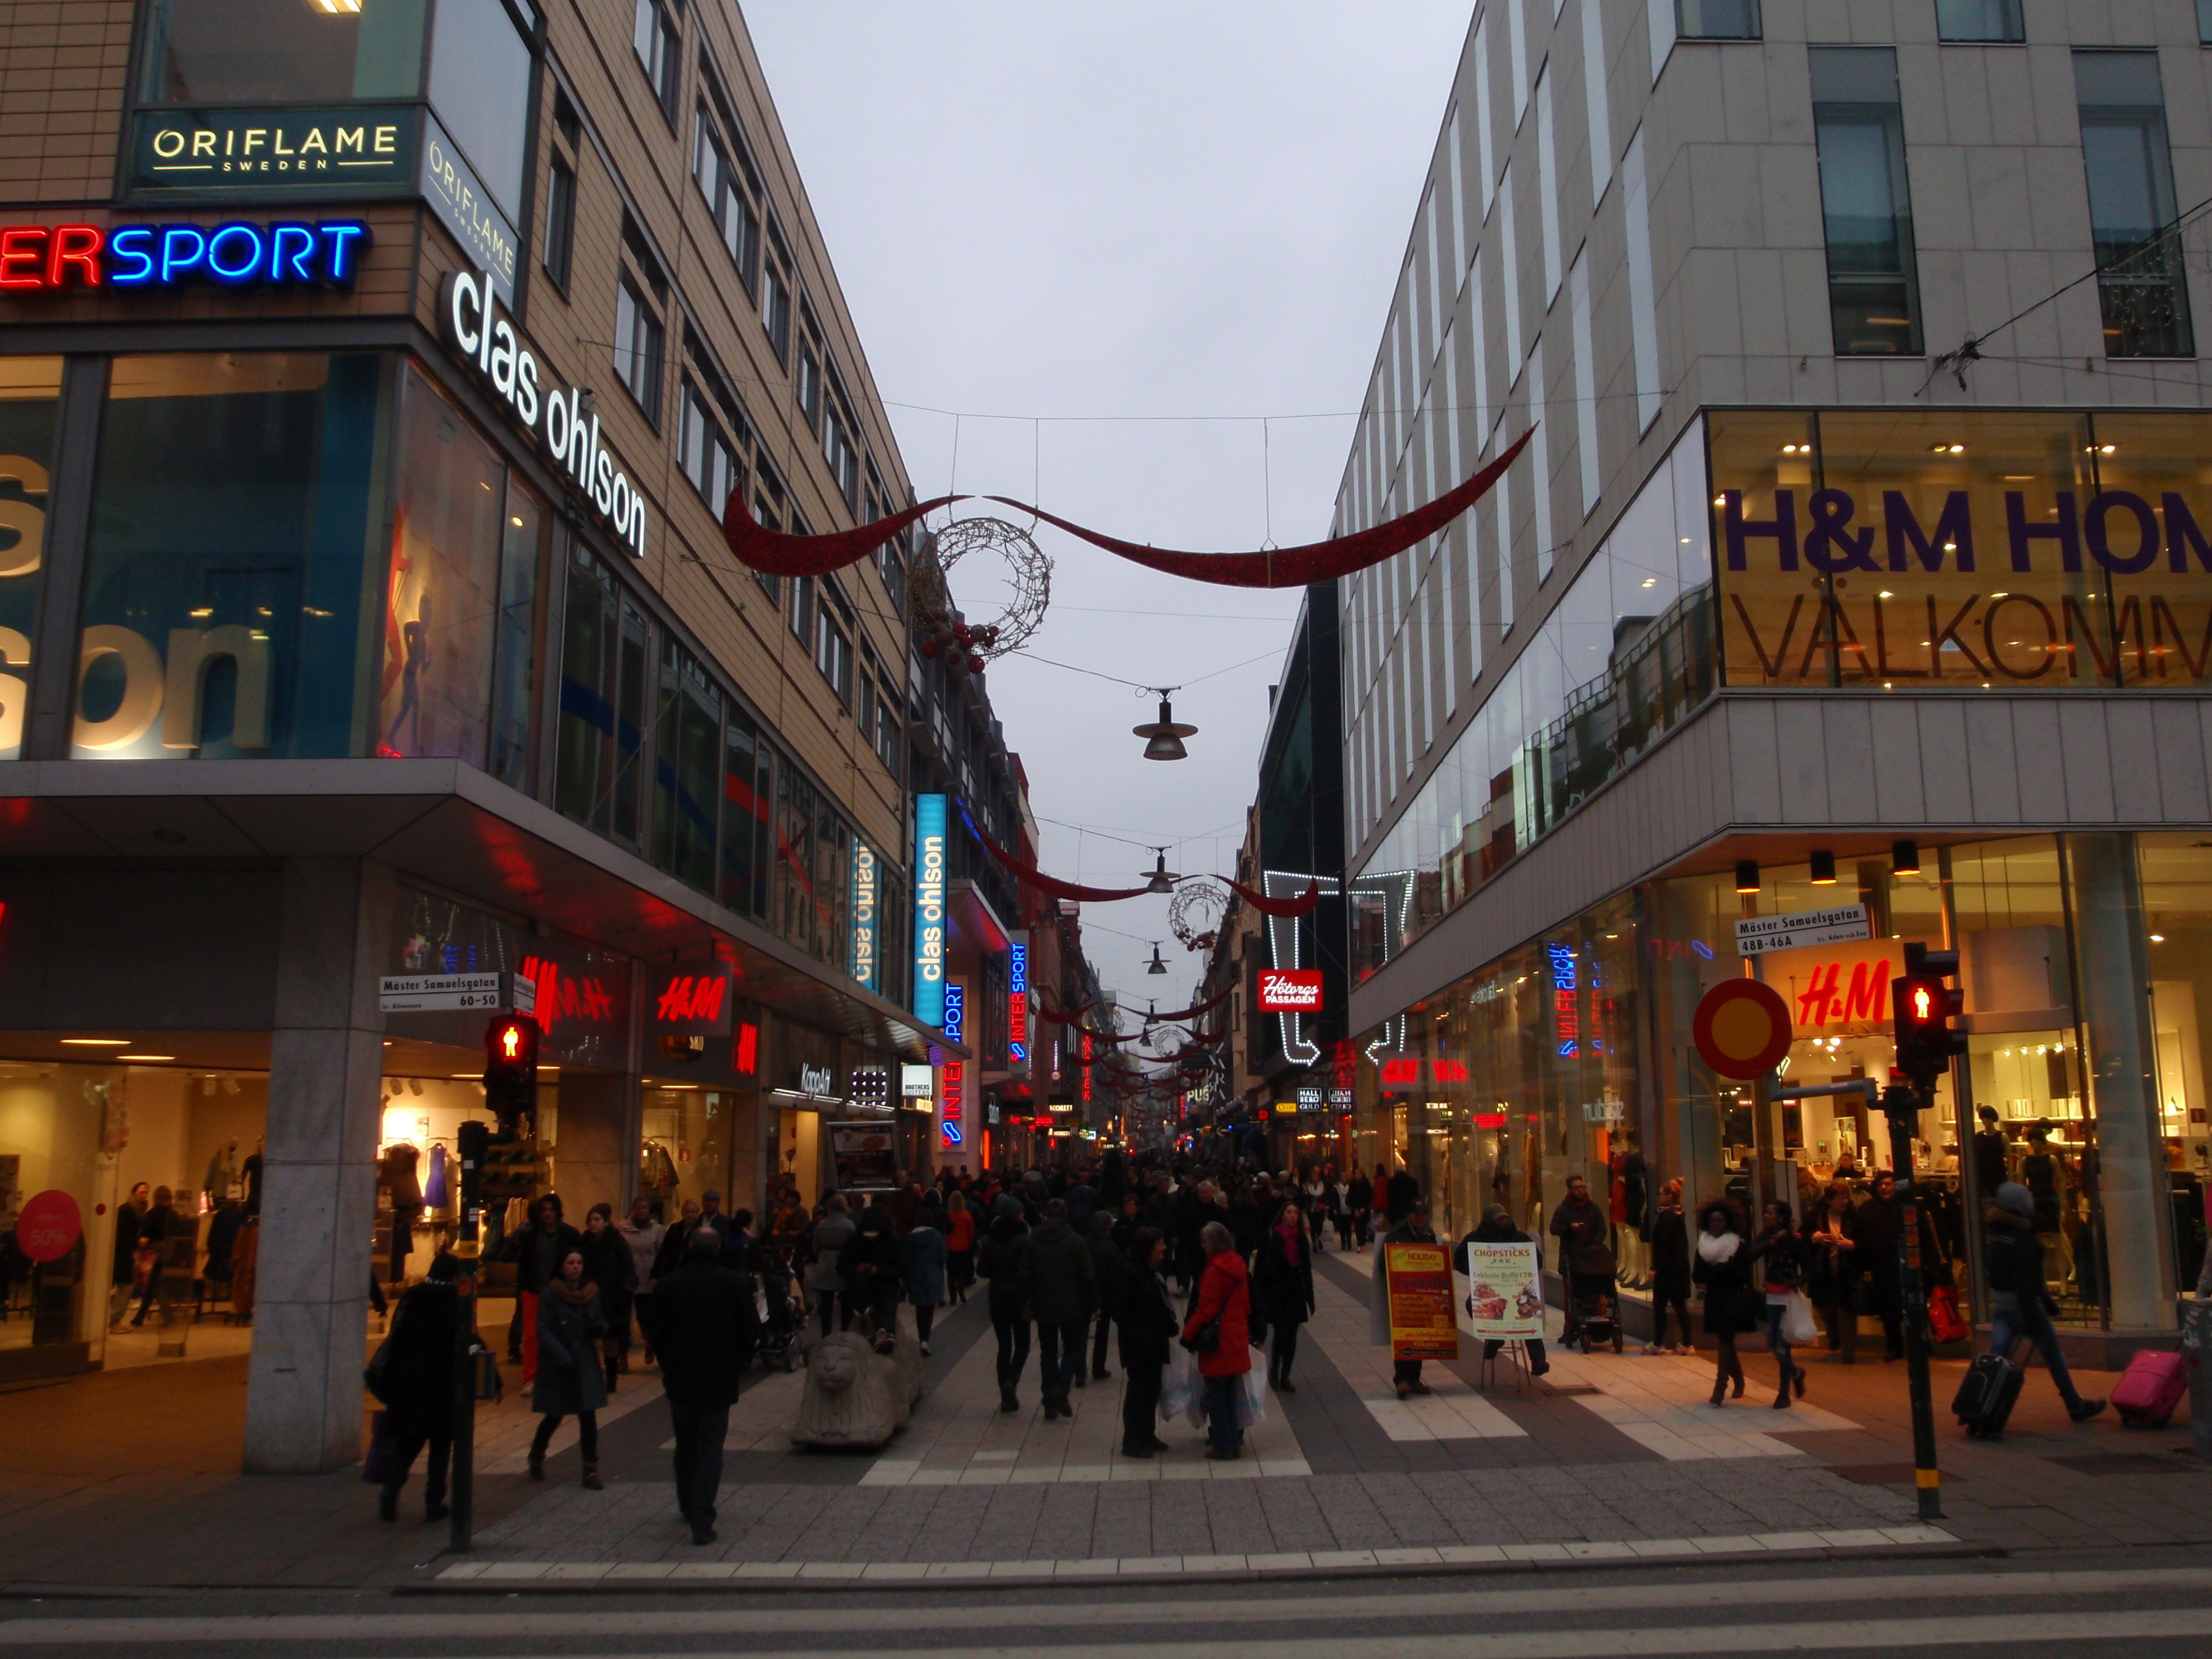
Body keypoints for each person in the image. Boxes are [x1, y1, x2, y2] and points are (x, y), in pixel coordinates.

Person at [649, 1226, 760, 1544]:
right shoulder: (733, 1283)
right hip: (718, 1377)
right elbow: (751, 1327)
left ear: (689, 1248)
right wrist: (737, 1360)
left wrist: (668, 1362)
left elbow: (655, 1329)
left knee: (686, 1444)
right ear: (718, 1250)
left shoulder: (670, 1283)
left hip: (681, 1376)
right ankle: (702, 1518)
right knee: (710, 1448)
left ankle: (687, 1503)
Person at [1985, 1181, 2106, 1423]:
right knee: (2053, 1356)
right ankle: (2074, 1404)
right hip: (2025, 1306)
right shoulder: (2024, 1239)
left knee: (1997, 1359)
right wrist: (2037, 1308)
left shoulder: (1996, 1236)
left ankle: (1984, 1404)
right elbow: (2028, 1280)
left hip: (2002, 1305)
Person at [372, 1252, 469, 1523]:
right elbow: (468, 1340)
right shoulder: (456, 1302)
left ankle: (391, 1490)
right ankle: (433, 1502)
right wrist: (491, 1378)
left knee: (408, 1443)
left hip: (408, 1381)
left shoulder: (412, 1296)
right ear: (454, 1277)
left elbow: (397, 1334)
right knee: (440, 1446)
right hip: (442, 1383)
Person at [528, 1247, 608, 1487]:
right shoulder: (552, 1293)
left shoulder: (591, 1292)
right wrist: (562, 1355)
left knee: (588, 1414)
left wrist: (599, 1327)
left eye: (579, 1263)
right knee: (555, 1413)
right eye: (571, 1262)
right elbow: (543, 1329)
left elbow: (600, 1321)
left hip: (584, 1359)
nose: (575, 1267)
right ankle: (537, 1453)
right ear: (562, 1267)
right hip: (560, 1361)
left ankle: (590, 1469)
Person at [1183, 1220, 1253, 1460]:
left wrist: (1188, 1334)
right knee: (1231, 1394)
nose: (1202, 1246)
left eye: (1204, 1242)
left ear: (1212, 1244)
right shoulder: (1239, 1265)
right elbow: (1246, 1305)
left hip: (1219, 1343)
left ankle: (1223, 1445)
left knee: (1217, 1397)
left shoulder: (1213, 1272)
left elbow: (1207, 1310)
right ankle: (1234, 1442)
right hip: (1237, 1338)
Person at [1028, 1198, 1098, 1419]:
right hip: (1072, 1304)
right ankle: (1061, 1387)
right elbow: (1088, 1274)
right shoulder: (1075, 1240)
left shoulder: (1034, 1240)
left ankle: (1050, 1402)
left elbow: (1025, 1273)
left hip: (1043, 1304)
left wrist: (1025, 1302)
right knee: (1074, 1348)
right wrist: (1095, 1303)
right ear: (1066, 1215)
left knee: (1048, 1353)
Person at [1465, 1205, 1550, 1376]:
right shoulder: (1476, 1238)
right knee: (1472, 1304)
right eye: (1498, 1219)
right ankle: (1494, 1338)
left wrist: (1524, 1270)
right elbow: (1459, 1260)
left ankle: (1538, 1361)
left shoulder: (1519, 1237)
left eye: (1504, 1218)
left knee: (1529, 1312)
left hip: (1515, 1286)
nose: (1502, 1222)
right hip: (1491, 1288)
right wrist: (1477, 1270)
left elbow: (1537, 1259)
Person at [1114, 1230, 1176, 1460]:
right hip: (1139, 1344)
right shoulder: (1129, 1270)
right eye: (1160, 1244)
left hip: (1154, 1341)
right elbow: (1121, 1311)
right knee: (1138, 1391)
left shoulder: (1150, 1269)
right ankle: (1132, 1439)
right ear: (1148, 1247)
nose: (1164, 1248)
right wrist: (1140, 1334)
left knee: (1151, 1389)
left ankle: (1147, 1434)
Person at [506, 1195, 581, 1382]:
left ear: (558, 1212)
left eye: (551, 1209)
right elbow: (523, 1262)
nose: (548, 1214)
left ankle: (558, 1374)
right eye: (544, 1210)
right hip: (533, 1290)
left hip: (559, 1291)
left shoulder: (569, 1235)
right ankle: (531, 1377)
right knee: (532, 1336)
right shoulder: (531, 1235)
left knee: (559, 1333)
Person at [1376, 1199, 1442, 1398]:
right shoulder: (1396, 1235)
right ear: (1409, 1215)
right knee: (1404, 1335)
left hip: (1423, 1293)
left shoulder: (1429, 1235)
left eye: (1424, 1214)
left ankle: (1414, 1379)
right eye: (1417, 1215)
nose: (1421, 1218)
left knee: (1420, 1335)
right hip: (1403, 1295)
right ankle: (1402, 1379)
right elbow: (1384, 1264)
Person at [1746, 1201, 1808, 1409]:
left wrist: (1798, 1281)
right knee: (1773, 1344)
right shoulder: (1767, 1237)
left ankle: (1784, 1393)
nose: (1766, 1216)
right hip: (1772, 1294)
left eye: (1771, 1213)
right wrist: (1773, 1242)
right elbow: (1751, 1255)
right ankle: (1796, 1373)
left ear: (1781, 1217)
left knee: (1783, 1344)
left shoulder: (1795, 1240)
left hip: (1787, 1296)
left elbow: (1810, 1266)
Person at [1692, 1199, 1755, 1406]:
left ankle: (1720, 1387)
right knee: (1724, 1340)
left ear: (1728, 1222)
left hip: (1732, 1298)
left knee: (1726, 1341)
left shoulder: (1737, 1245)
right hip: (1714, 1298)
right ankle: (1739, 1380)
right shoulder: (1703, 1245)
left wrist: (1715, 1274)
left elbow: (1742, 1275)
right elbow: (1697, 1275)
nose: (1715, 1225)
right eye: (1712, 1221)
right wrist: (1720, 1272)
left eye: (1719, 1221)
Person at [1254, 1197, 1315, 1392]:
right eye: (1289, 1213)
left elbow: (1306, 1268)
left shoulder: (1301, 1239)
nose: (1292, 1216)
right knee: (1281, 1333)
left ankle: (1285, 1375)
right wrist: (1257, 1296)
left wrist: (1310, 1296)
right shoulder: (1271, 1236)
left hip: (1295, 1290)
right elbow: (1259, 1268)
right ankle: (1274, 1370)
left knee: (1292, 1336)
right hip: (1276, 1290)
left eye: (1296, 1213)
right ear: (1282, 1215)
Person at [1548, 1174, 1614, 1349]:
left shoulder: (1593, 1208)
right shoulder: (1563, 1209)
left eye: (1582, 1187)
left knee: (1598, 1289)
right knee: (1570, 1295)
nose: (1581, 1190)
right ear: (1570, 1190)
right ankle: (1570, 1326)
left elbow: (1602, 1228)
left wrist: (1595, 1244)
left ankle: (1599, 1321)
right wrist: (1570, 1228)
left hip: (1592, 1256)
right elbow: (1554, 1228)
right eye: (1577, 1187)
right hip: (1571, 1256)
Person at [578, 1203, 639, 1390]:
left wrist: (626, 1289)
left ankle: (611, 1376)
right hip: (589, 1295)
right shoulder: (584, 1242)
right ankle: (589, 1376)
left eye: (597, 1220)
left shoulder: (617, 1242)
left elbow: (628, 1268)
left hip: (612, 1295)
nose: (593, 1224)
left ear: (606, 1222)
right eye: (590, 1220)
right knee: (588, 1337)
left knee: (610, 1338)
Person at [980, 1208, 1034, 1413]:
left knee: (1004, 1346)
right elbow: (1030, 1271)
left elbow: (982, 1271)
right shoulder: (1024, 1241)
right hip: (1019, 1298)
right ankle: (1012, 1378)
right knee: (1023, 1344)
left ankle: (1005, 1396)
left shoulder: (989, 1241)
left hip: (997, 1298)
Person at [1805, 1180, 1861, 1364]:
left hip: (1847, 1271)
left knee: (1847, 1312)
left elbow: (1866, 1240)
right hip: (1822, 1271)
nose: (1845, 1202)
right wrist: (1814, 1238)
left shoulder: (1853, 1217)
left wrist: (1852, 1245)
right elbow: (1802, 1236)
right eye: (1840, 1198)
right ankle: (1834, 1332)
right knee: (1825, 1307)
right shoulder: (1816, 1217)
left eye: (1846, 1198)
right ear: (1829, 1200)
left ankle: (1848, 1352)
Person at [1852, 1170, 1905, 1361]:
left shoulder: (1906, 1206)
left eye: (1888, 1184)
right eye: (1881, 1184)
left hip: (1907, 1265)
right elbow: (1860, 1237)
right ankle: (1894, 1346)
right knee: (1888, 1310)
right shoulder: (1867, 1210)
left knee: (1911, 1306)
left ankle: (1919, 1344)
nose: (1884, 1188)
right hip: (1882, 1266)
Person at [839, 1202, 903, 1350]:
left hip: (885, 1283)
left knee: (887, 1298)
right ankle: (864, 1319)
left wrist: (878, 1271)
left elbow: (900, 1267)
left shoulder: (890, 1240)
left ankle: (885, 1332)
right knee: (861, 1284)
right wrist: (856, 1269)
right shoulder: (854, 1240)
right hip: (860, 1286)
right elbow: (842, 1266)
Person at [128, 1186, 187, 1327]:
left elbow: (145, 1235)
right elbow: (181, 1236)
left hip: (153, 1254)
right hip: (170, 1254)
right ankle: (139, 1318)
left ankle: (168, 1315)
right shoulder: (173, 1215)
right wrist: (180, 1257)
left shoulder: (151, 1214)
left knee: (155, 1285)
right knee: (152, 1284)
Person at [1646, 1179, 1692, 1355]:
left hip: (1666, 1270)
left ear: (1669, 1196)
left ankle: (1658, 1343)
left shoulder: (1665, 1217)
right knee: (1680, 1306)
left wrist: (1655, 1267)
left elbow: (1662, 1245)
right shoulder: (1678, 1215)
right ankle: (1687, 1344)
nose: (1659, 1197)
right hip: (1679, 1268)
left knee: (1660, 1306)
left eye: (1661, 1194)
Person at [618, 1197, 665, 1365]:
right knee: (623, 1318)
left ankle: (649, 1342)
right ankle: (622, 1356)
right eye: (638, 1207)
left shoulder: (657, 1230)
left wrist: (658, 1276)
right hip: (627, 1277)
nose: (641, 1211)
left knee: (645, 1315)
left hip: (647, 1278)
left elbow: (662, 1253)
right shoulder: (621, 1228)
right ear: (633, 1209)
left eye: (645, 1208)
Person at [905, 1193, 949, 1355]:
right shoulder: (937, 1236)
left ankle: (922, 1336)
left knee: (920, 1309)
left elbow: (906, 1259)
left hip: (916, 1276)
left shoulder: (910, 1238)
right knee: (929, 1309)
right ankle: (925, 1339)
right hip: (932, 1275)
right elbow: (943, 1256)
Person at [808, 1193, 856, 1338]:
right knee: (846, 1302)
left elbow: (815, 1247)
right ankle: (845, 1332)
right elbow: (854, 1246)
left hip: (825, 1262)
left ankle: (826, 1334)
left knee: (826, 1304)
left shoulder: (822, 1225)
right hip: (844, 1262)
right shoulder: (849, 1225)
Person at [1087, 1210, 1121, 1382]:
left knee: (1080, 1331)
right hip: (1105, 1293)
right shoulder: (1111, 1246)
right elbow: (1115, 1275)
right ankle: (1098, 1367)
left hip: (1085, 1291)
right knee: (1102, 1331)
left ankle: (1079, 1369)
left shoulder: (1084, 1243)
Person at [109, 1181, 149, 1328]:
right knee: (125, 1287)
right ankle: (115, 1320)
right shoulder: (126, 1210)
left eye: (146, 1193)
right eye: (142, 1192)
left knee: (125, 1287)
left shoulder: (140, 1212)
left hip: (131, 1254)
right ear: (134, 1193)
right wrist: (137, 1241)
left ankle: (115, 1319)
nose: (144, 1196)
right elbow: (120, 1235)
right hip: (123, 1254)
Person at [944, 1189, 977, 1304]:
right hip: (963, 1247)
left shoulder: (948, 1214)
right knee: (961, 1271)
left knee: (951, 1273)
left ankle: (953, 1298)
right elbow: (971, 1232)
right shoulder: (967, 1215)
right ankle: (961, 1291)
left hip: (950, 1247)